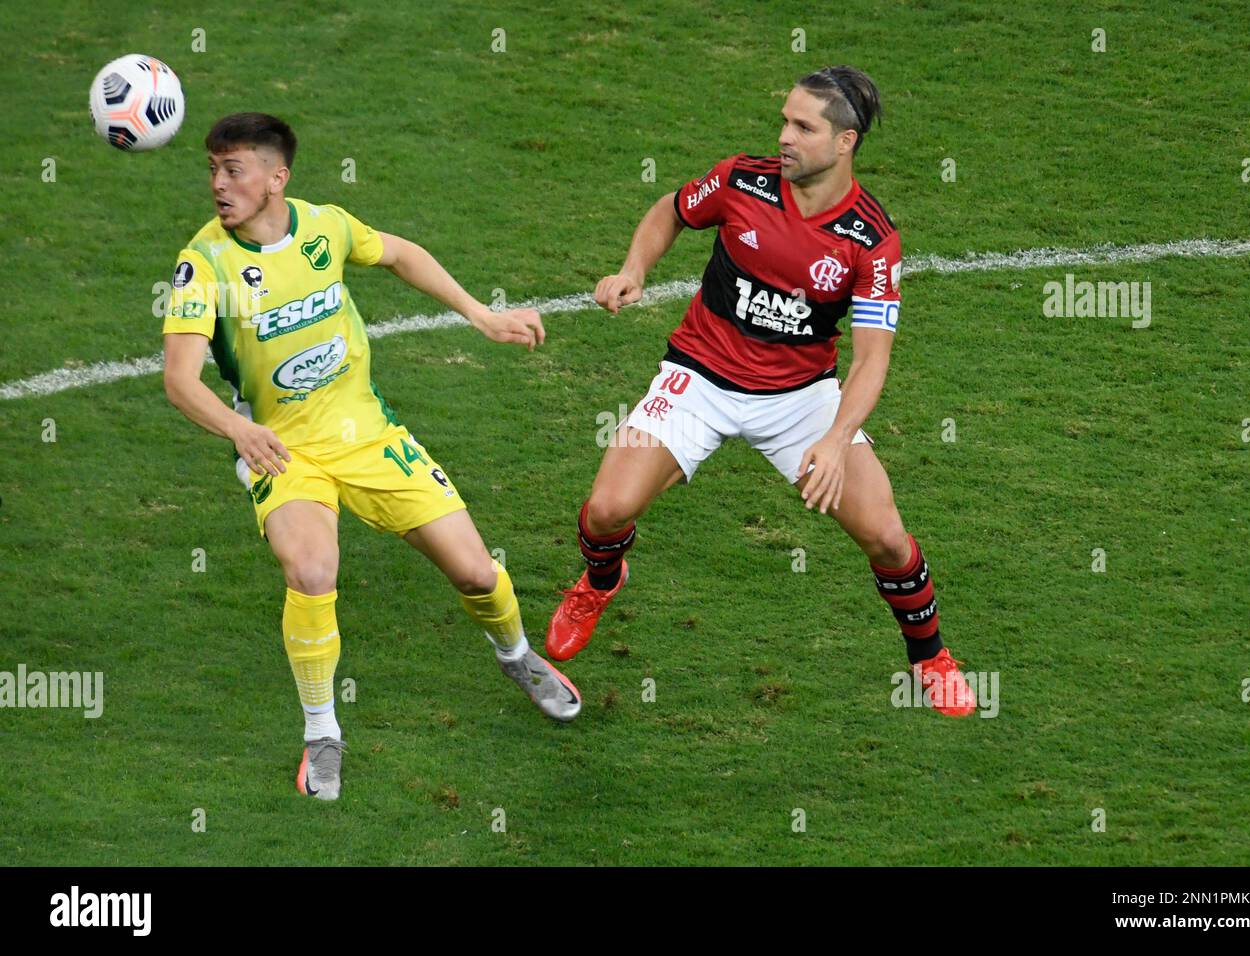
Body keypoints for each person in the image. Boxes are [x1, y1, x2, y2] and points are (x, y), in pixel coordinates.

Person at [162, 112, 581, 801]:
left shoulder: (325, 226)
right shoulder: (203, 265)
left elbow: (399, 253)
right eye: (211, 169)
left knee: (478, 572)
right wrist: (241, 435)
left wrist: (479, 313)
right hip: (284, 452)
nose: (217, 183)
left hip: (370, 437)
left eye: (232, 169)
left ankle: (517, 657)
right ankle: (322, 731)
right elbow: (180, 380)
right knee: (311, 568)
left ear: (277, 177)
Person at [546, 68, 976, 717]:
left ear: (845, 142)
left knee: (888, 537)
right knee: (606, 509)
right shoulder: (742, 181)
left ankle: (929, 658)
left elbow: (870, 361)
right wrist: (634, 268)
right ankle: (602, 580)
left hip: (801, 398)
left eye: (803, 127)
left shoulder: (869, 239)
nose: (784, 137)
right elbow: (672, 209)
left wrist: (834, 441)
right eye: (784, 120)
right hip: (700, 376)